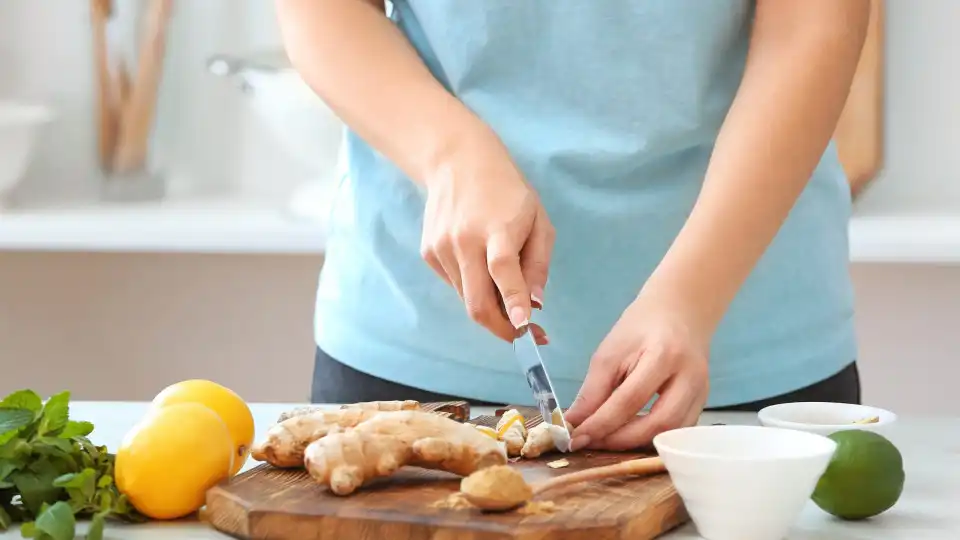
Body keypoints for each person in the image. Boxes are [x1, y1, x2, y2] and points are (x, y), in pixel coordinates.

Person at [275, 0, 871, 451]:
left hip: (743, 348)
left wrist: (692, 296)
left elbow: (815, 24)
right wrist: (449, 154)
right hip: (416, 345)